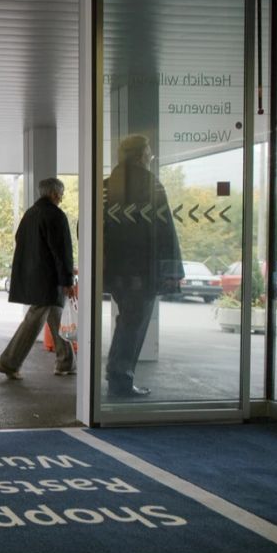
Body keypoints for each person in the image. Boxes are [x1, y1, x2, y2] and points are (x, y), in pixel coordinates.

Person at [104, 134, 184, 397]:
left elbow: (88, 226)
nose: (151, 156)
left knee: (126, 319)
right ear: (141, 155)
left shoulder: (106, 185)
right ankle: (121, 378)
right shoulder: (150, 184)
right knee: (134, 323)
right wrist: (172, 271)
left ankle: (116, 371)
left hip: (115, 269)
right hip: (143, 269)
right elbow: (165, 229)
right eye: (149, 151)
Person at [0, 177, 76, 380]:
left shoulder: (30, 214)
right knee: (34, 320)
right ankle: (9, 362)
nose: (62, 198)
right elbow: (62, 251)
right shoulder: (55, 215)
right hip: (49, 279)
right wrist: (67, 280)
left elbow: (20, 240)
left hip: (34, 276)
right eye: (61, 194)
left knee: (57, 316)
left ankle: (65, 361)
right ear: (54, 194)